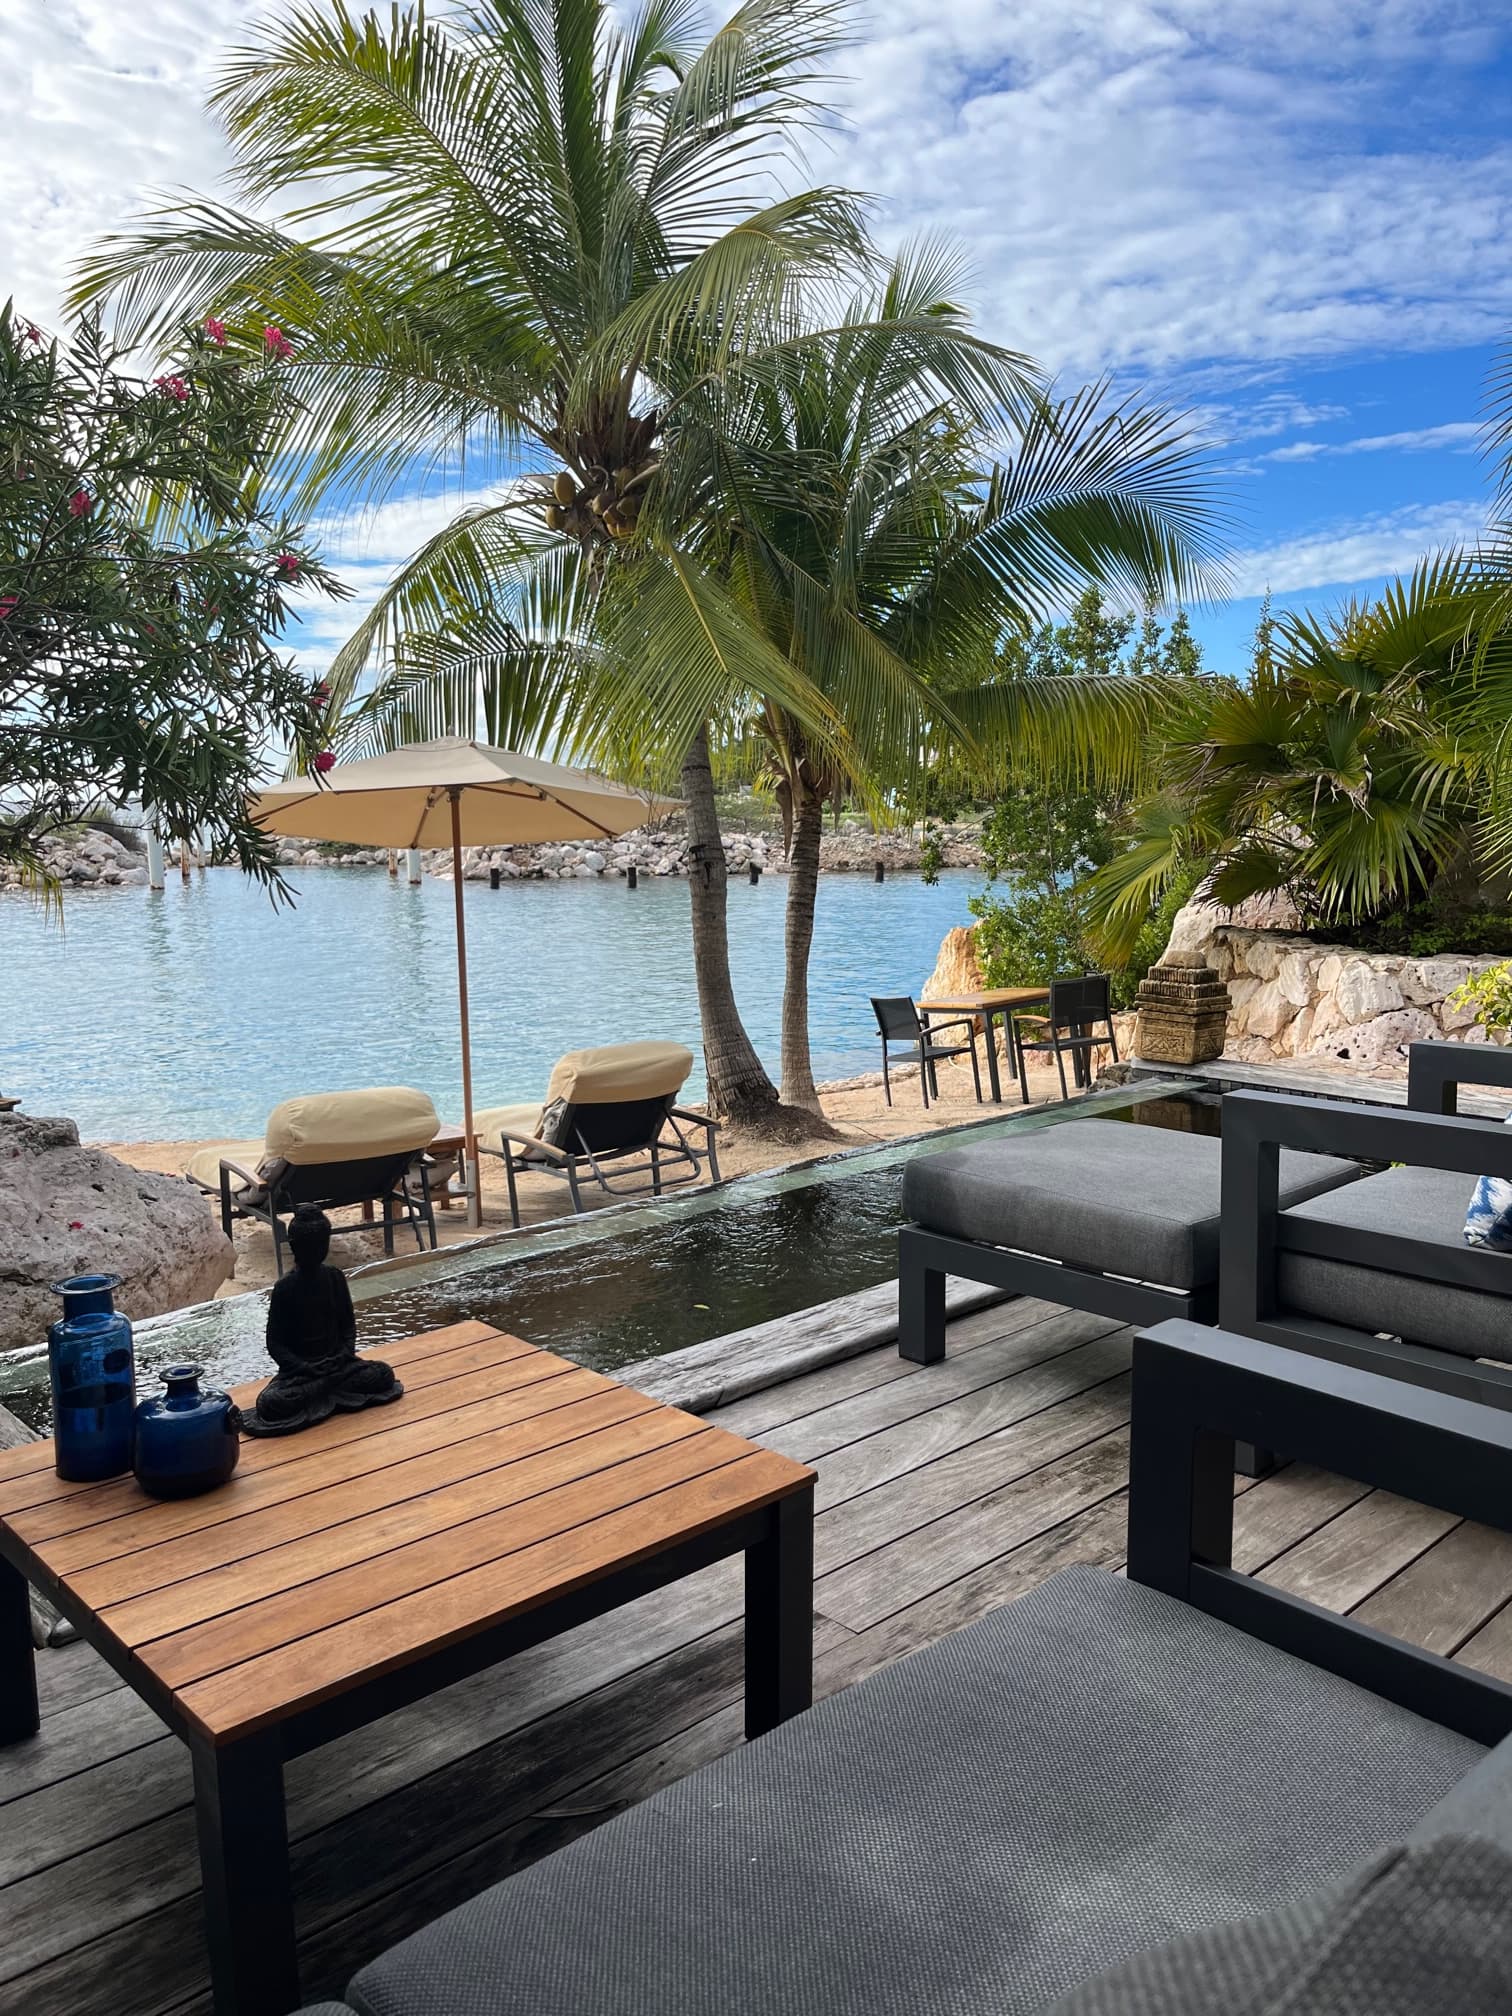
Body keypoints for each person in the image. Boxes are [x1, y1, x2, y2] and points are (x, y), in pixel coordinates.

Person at [244, 1203, 404, 1436]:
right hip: (303, 1374)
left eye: (321, 1244)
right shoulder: (285, 1288)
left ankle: (325, 1390)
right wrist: (304, 1367)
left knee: (381, 1373)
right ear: (295, 1246)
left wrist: (342, 1354)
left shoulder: (334, 1278)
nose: (316, 1251)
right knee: (271, 1402)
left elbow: (348, 1327)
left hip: (338, 1366)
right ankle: (327, 1389)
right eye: (310, 1246)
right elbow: (275, 1343)